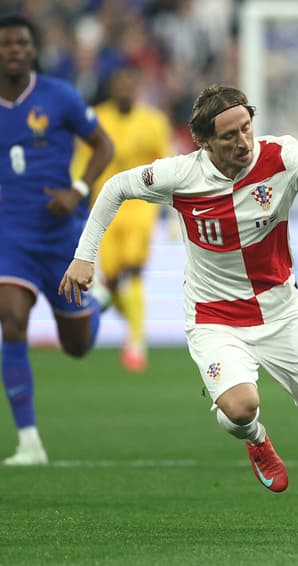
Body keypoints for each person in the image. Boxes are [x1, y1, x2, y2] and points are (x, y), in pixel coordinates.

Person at [59, 85, 298, 536]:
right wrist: (85, 254)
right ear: (204, 141)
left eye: (246, 128)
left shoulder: (282, 155)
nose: (243, 142)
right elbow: (115, 187)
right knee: (241, 407)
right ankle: (257, 441)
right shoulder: (180, 175)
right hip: (214, 316)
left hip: (282, 311)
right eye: (229, 136)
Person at [0, 14, 114, 466]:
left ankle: (95, 304)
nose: (14, 51)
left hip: (60, 233)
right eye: (6, 44)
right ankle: (29, 441)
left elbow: (104, 146)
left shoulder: (59, 96)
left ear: (32, 50)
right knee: (10, 319)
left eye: (21, 44)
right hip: (10, 234)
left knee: (77, 346)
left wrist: (79, 190)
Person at [71, 65, 173, 372]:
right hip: (106, 208)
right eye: (120, 85)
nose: (125, 91)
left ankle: (137, 342)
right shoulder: (97, 118)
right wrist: (78, 194)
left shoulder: (154, 122)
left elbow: (168, 164)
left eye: (131, 85)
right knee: (112, 281)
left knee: (133, 271)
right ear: (113, 88)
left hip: (142, 207)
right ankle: (134, 327)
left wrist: (171, 210)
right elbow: (82, 163)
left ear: (138, 88)